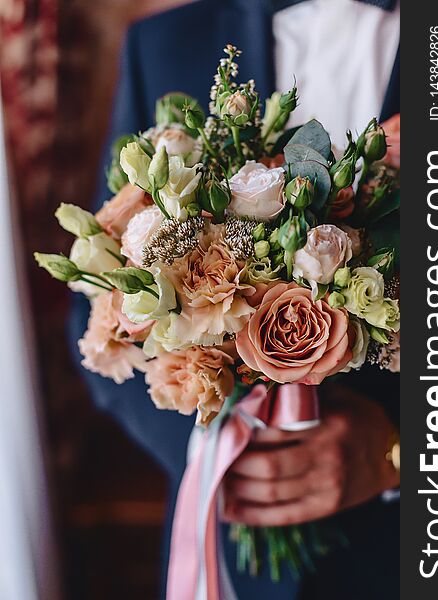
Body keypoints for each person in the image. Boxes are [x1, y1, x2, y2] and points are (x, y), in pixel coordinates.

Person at [70, 1, 400, 598]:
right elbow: (97, 311)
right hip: (225, 565)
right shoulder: (166, 45)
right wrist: (213, 450)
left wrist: (402, 451)